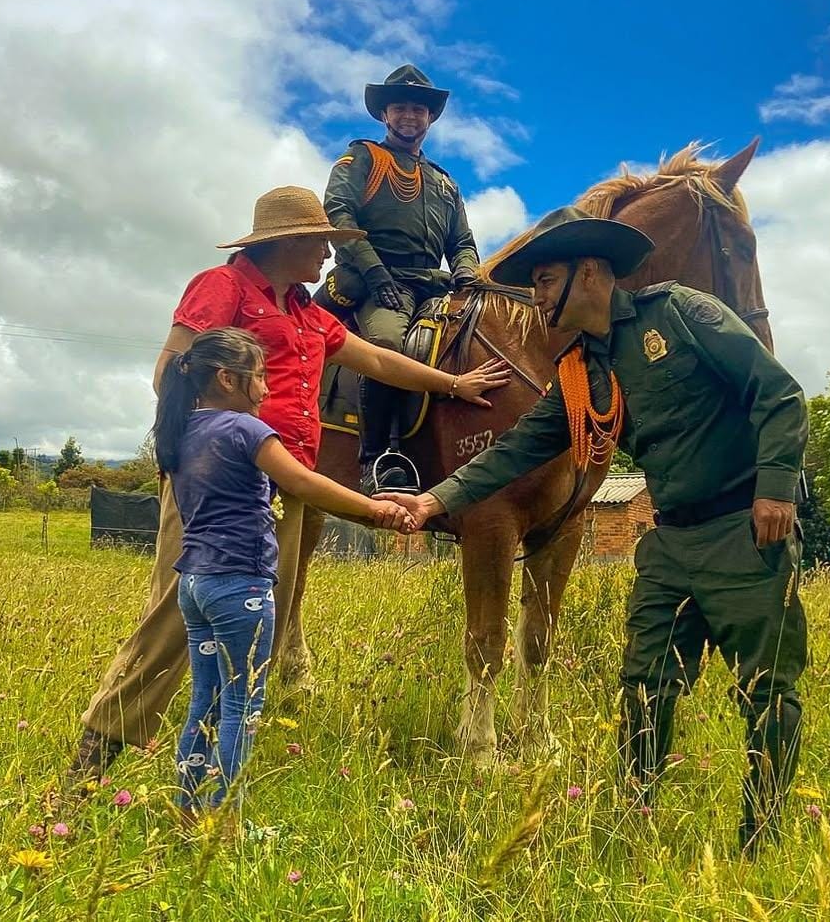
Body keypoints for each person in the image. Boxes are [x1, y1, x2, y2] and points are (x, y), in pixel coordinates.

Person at [381, 207, 809, 855]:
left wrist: (775, 488)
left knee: (766, 689)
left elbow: (778, 394)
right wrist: (433, 498)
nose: (537, 294)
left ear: (590, 273)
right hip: (671, 540)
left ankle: (763, 836)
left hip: (742, 527)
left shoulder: (682, 313)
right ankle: (634, 817)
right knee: (643, 684)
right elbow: (517, 448)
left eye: (547, 279)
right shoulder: (582, 370)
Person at [69, 186, 509, 780]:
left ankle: (210, 760)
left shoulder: (303, 309)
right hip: (223, 481)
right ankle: (101, 747)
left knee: (265, 621)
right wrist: (213, 441)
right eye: (322, 242)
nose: (330, 255)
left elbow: (375, 360)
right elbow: (168, 370)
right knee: (177, 615)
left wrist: (452, 386)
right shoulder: (222, 288)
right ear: (290, 242)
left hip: (289, 482)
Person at [153, 328, 412, 815]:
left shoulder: (181, 431)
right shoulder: (246, 431)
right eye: (260, 376)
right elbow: (303, 482)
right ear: (228, 379)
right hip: (240, 585)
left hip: (194, 583)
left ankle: (187, 808)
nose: (267, 389)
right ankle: (224, 821)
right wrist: (376, 510)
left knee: (204, 701)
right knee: (241, 708)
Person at [320, 65, 481, 495]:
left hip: (434, 287)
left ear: (430, 117)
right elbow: (338, 215)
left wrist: (466, 271)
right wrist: (374, 272)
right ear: (385, 115)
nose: (410, 115)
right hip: (378, 282)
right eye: (401, 107)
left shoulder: (445, 183)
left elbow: (463, 241)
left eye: (418, 109)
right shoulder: (363, 159)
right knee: (387, 345)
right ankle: (376, 459)